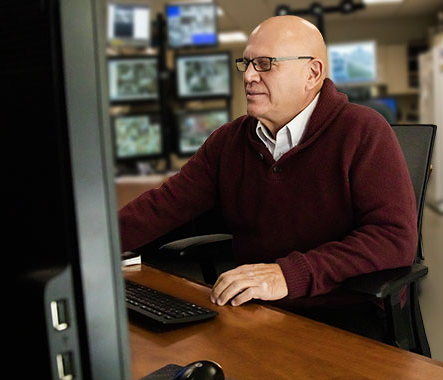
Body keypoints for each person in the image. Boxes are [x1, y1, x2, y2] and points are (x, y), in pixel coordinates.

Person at [117, 16, 417, 339]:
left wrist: (287, 275)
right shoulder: (228, 142)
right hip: (256, 312)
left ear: (312, 73)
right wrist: (90, 245)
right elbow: (163, 206)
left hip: (343, 316)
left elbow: (394, 238)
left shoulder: (363, 131)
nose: (248, 76)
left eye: (264, 64)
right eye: (246, 63)